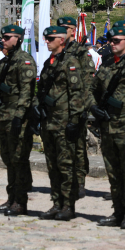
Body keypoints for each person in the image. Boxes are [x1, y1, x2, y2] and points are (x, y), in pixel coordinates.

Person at [37, 25, 94, 221]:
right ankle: (56, 203)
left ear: (61, 40)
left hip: (64, 122)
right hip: (49, 122)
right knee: (52, 165)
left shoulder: (71, 63)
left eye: (51, 38)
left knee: (65, 165)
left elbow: (77, 94)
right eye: (46, 38)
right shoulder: (48, 62)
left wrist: (74, 120)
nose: (47, 41)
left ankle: (68, 205)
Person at [91, 26, 125, 229]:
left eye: (117, 41)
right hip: (108, 126)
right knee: (113, 172)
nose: (112, 43)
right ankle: (118, 211)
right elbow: (91, 89)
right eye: (111, 40)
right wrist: (94, 107)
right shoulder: (106, 65)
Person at [0, 25, 37, 216]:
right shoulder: (4, 62)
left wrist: (19, 117)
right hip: (3, 116)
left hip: (17, 118)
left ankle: (20, 201)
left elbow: (26, 93)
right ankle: (11, 197)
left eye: (7, 37)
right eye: (2, 37)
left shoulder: (24, 61)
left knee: (19, 159)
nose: (3, 40)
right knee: (8, 159)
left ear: (18, 39)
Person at [58, 16, 97, 199]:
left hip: (76, 107)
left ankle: (80, 182)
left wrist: (83, 108)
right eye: (58, 27)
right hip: (59, 109)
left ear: (73, 30)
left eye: (65, 28)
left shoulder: (81, 52)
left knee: (79, 147)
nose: (61, 31)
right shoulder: (56, 52)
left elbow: (88, 83)